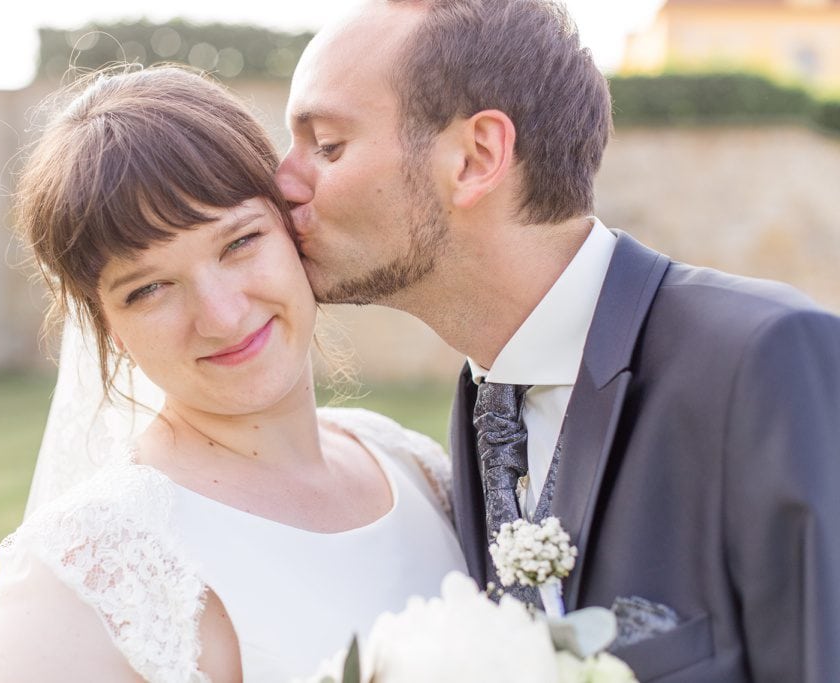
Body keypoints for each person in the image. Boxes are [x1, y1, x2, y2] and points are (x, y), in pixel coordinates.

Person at [274, 0, 840, 681]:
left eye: (327, 145)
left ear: (476, 157)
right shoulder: (483, 410)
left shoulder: (764, 362)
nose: (283, 181)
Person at [0, 65, 466, 683]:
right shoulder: (76, 590)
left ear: (293, 228)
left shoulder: (411, 466)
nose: (221, 315)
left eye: (238, 244)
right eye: (149, 288)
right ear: (106, 327)